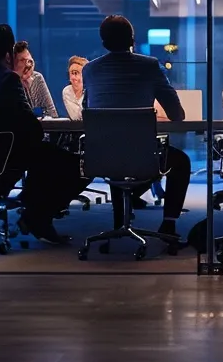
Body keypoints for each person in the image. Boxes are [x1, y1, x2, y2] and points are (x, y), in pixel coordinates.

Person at [80, 14, 192, 239]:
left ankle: (119, 221)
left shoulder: (89, 70)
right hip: (143, 156)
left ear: (103, 43)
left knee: (116, 150)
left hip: (102, 155)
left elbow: (87, 109)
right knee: (181, 162)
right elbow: (177, 115)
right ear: (133, 40)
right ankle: (169, 223)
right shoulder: (149, 66)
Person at [0, 25, 88, 243]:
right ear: (9, 54)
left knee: (44, 158)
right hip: (11, 153)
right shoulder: (8, 79)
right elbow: (30, 126)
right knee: (81, 166)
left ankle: (32, 207)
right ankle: (37, 216)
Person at [11, 40, 58, 117]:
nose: (28, 64)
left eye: (29, 59)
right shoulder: (9, 83)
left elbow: (52, 113)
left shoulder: (37, 78)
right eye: (22, 60)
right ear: (13, 64)